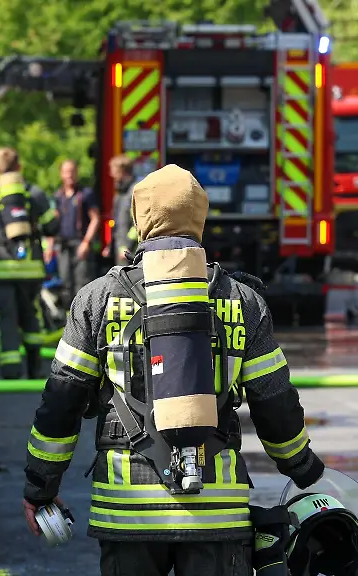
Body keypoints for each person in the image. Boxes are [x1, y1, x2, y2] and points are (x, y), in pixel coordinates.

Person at [22, 164, 325, 575]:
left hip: (127, 512)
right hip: (216, 515)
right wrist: (305, 470)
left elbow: (60, 403)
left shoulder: (97, 298)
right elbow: (275, 404)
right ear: (199, 216)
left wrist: (40, 490)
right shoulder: (243, 302)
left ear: (139, 218)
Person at [0, 147, 59, 379]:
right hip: (31, 271)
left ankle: (10, 370)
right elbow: (52, 228)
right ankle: (35, 369)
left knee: (6, 319)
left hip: (0, 271)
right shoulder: (34, 194)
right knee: (31, 317)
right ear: (19, 167)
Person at [46, 159, 101, 307]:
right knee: (65, 283)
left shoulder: (86, 194)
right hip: (63, 245)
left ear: (76, 173)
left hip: (80, 243)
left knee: (82, 282)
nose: (69, 175)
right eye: (66, 172)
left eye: (72, 171)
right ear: (61, 174)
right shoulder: (58, 196)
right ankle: (68, 321)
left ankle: (84, 320)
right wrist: (49, 247)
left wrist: (86, 242)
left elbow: (95, 218)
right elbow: (53, 223)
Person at [102, 155, 137, 266]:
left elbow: (138, 223)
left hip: (131, 251)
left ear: (123, 172)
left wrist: (127, 245)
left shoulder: (135, 192)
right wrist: (110, 246)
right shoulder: (120, 193)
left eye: (114, 172)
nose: (112, 175)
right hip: (120, 249)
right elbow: (117, 224)